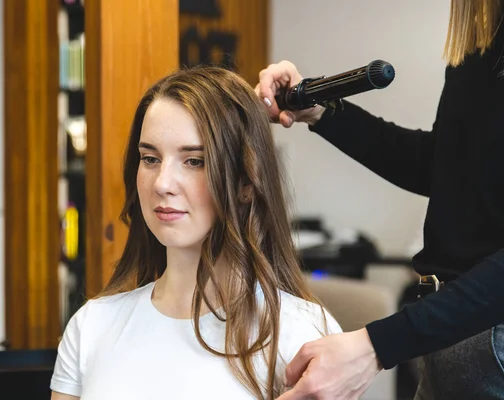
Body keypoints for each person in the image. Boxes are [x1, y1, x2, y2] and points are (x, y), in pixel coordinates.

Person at [256, 0, 504, 399]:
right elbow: (446, 168)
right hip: (444, 335)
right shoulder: (481, 38)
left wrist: (375, 346)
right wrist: (321, 111)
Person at [49, 66, 342, 400]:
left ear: (246, 183)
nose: (162, 183)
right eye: (150, 158)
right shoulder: (91, 327)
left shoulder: (300, 334)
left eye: (194, 161)